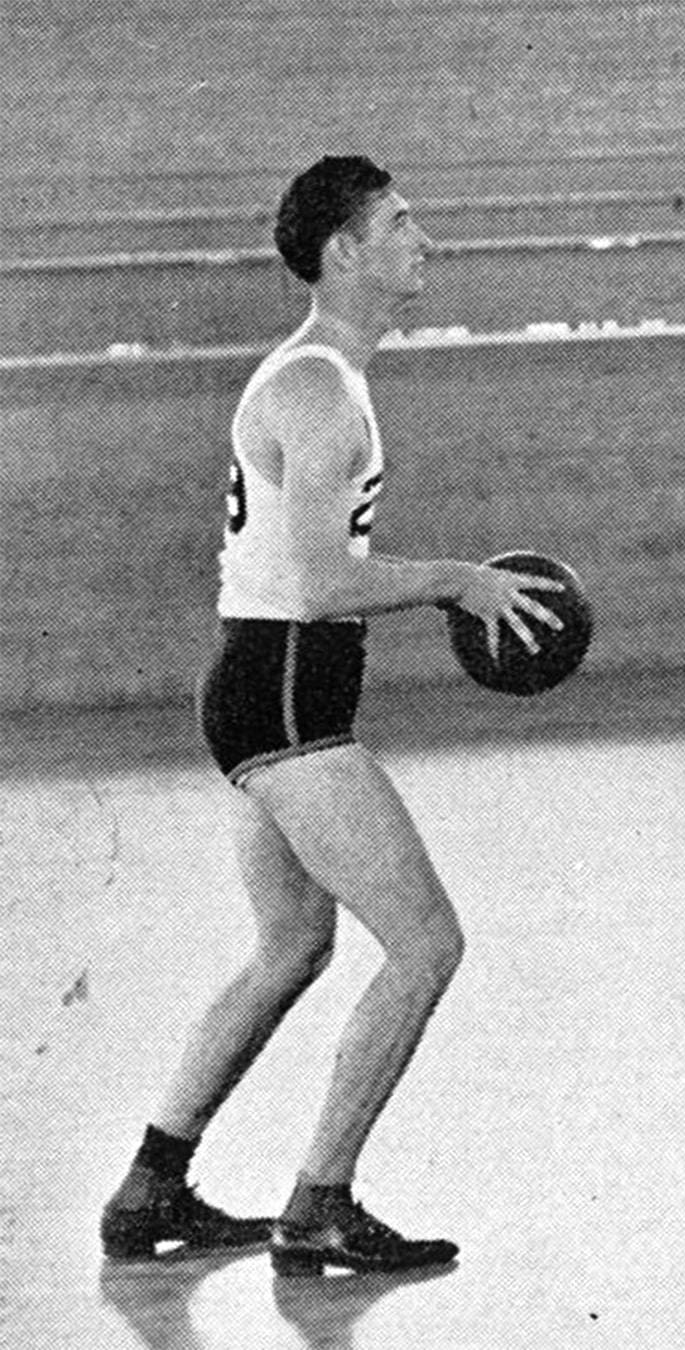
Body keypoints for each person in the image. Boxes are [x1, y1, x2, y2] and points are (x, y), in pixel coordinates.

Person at [103, 156, 567, 1275]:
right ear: (344, 252)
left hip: (263, 686)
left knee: (292, 947)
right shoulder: (316, 390)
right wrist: (462, 579)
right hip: (286, 690)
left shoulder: (326, 378)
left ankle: (148, 1186)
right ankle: (321, 1201)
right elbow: (317, 582)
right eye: (402, 223)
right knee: (425, 945)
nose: (425, 240)